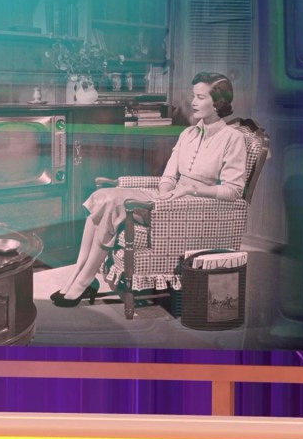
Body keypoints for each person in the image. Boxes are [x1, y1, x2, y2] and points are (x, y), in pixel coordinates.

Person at [52, 72, 249, 306]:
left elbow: (233, 191)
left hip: (192, 209)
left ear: (218, 103)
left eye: (200, 97)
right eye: (193, 96)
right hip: (167, 200)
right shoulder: (187, 133)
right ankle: (79, 273)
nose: (193, 102)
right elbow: (169, 176)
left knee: (113, 203)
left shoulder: (233, 139)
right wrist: (165, 194)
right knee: (101, 197)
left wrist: (189, 191)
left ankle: (83, 281)